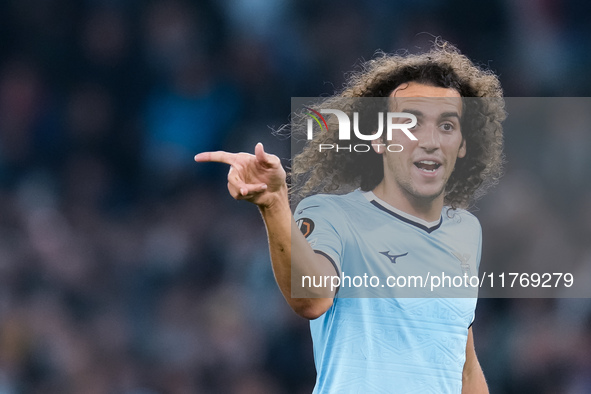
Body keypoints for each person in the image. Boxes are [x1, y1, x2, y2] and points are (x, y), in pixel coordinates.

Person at [195, 40, 505, 393]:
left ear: (463, 145)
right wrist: (275, 204)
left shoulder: (466, 231)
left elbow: (462, 364)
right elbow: (311, 299)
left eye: (447, 126)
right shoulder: (331, 214)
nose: (430, 141)